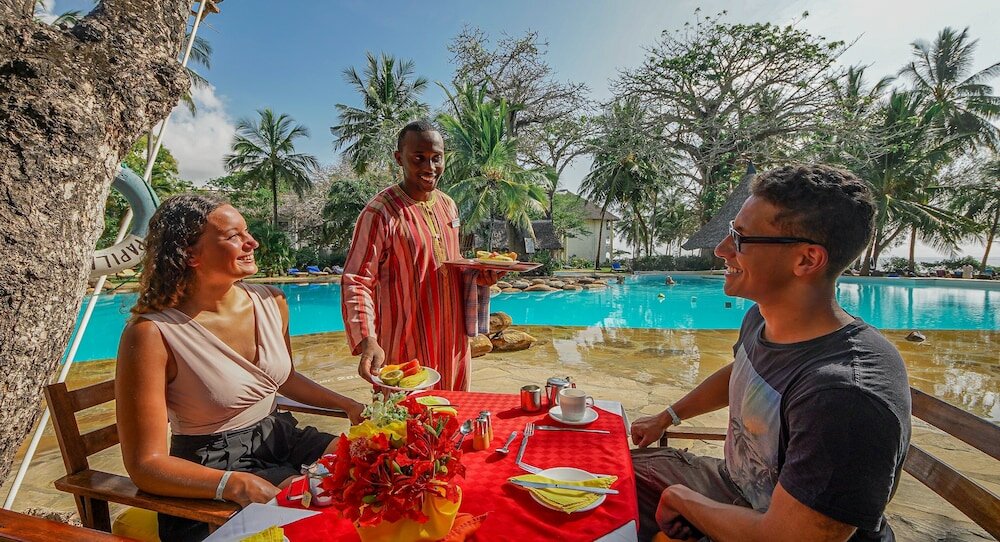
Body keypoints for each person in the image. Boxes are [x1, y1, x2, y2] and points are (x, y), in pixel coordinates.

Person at [630, 165, 911, 541]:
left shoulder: (845, 396)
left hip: (773, 525)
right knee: (588, 475)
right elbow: (743, 372)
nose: (721, 249)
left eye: (740, 239)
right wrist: (668, 416)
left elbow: (787, 537)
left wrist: (681, 499)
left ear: (807, 260)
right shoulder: (761, 320)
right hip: (735, 487)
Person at [116, 194, 366, 542]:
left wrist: (349, 405)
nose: (252, 242)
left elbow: (285, 378)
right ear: (190, 254)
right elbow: (145, 465)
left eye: (246, 232)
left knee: (370, 469)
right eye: (234, 236)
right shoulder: (151, 334)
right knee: (322, 521)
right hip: (211, 466)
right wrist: (234, 484)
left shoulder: (271, 301)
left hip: (277, 435)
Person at [342, 120, 501, 391]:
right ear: (399, 159)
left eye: (436, 158)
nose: (429, 168)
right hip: (405, 347)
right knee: (404, 427)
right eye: (419, 158)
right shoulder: (380, 212)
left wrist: (481, 276)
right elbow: (356, 279)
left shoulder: (448, 205)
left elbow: (452, 264)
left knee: (453, 417)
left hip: (453, 343)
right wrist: (367, 338)